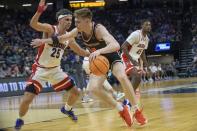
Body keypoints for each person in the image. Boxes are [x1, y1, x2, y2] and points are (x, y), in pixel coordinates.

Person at [31, 8, 147, 126]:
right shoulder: (78, 30)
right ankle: (121, 109)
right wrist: (43, 41)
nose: (75, 24)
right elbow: (62, 38)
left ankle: (137, 110)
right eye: (75, 22)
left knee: (122, 77)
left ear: (87, 21)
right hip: (99, 61)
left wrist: (99, 51)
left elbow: (116, 45)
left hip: (111, 56)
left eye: (78, 22)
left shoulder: (99, 29)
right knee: (93, 88)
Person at [14, 1, 90, 130]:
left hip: (56, 70)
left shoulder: (69, 37)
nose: (69, 22)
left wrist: (95, 53)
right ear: (60, 20)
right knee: (27, 98)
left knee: (76, 93)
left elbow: (81, 51)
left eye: (71, 20)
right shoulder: (50, 29)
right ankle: (20, 119)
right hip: (40, 70)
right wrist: (39, 11)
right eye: (67, 20)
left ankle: (67, 109)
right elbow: (33, 24)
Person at [121, 20, 151, 105]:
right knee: (136, 76)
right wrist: (132, 60)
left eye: (150, 25)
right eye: (146, 24)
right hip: (126, 58)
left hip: (134, 60)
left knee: (138, 79)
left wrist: (147, 67)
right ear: (142, 26)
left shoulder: (146, 39)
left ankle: (127, 99)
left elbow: (142, 53)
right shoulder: (136, 34)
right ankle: (127, 100)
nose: (148, 26)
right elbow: (123, 46)